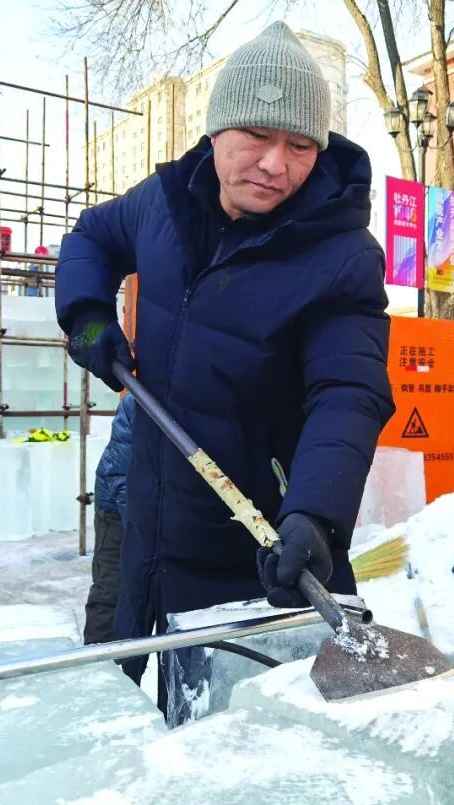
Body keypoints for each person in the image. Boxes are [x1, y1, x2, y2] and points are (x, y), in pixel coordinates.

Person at [56, 21, 394, 692]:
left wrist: (317, 516)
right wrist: (88, 315)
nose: (275, 165)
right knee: (111, 700)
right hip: (145, 507)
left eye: (300, 145)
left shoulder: (341, 256)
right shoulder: (163, 205)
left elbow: (347, 393)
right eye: (255, 138)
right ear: (215, 134)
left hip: (254, 539)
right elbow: (92, 236)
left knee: (226, 739)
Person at [83, 393, 135, 645]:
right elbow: (122, 476)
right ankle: (99, 667)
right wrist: (141, 533)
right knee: (111, 589)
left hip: (150, 511)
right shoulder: (138, 401)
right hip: (116, 509)